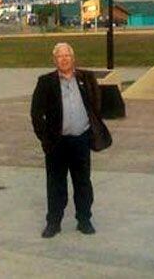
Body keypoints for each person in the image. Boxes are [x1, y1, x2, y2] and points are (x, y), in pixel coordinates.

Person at [30, 42, 102, 238]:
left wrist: (90, 128)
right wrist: (45, 138)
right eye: (59, 56)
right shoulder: (45, 82)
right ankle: (53, 222)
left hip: (81, 140)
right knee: (55, 184)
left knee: (83, 183)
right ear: (55, 60)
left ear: (73, 58)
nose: (64, 59)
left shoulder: (86, 78)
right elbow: (36, 114)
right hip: (57, 144)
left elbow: (96, 103)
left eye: (67, 55)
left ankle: (84, 220)